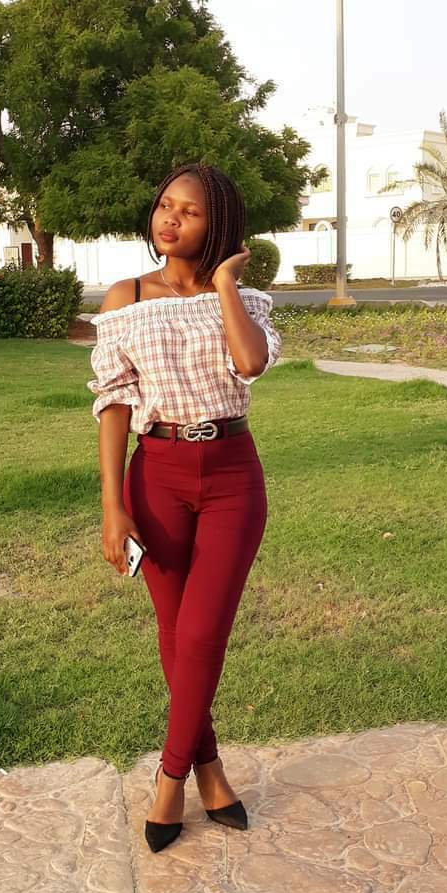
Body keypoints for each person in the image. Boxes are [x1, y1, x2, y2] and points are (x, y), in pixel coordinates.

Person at [87, 161, 282, 853]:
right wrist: (113, 503)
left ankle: (170, 778)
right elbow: (113, 401)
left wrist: (224, 283)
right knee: (175, 636)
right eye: (165, 205)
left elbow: (250, 363)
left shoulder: (245, 300)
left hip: (232, 476)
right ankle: (210, 769)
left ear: (217, 224)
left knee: (201, 634)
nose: (170, 218)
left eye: (189, 211)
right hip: (157, 475)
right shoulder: (127, 297)